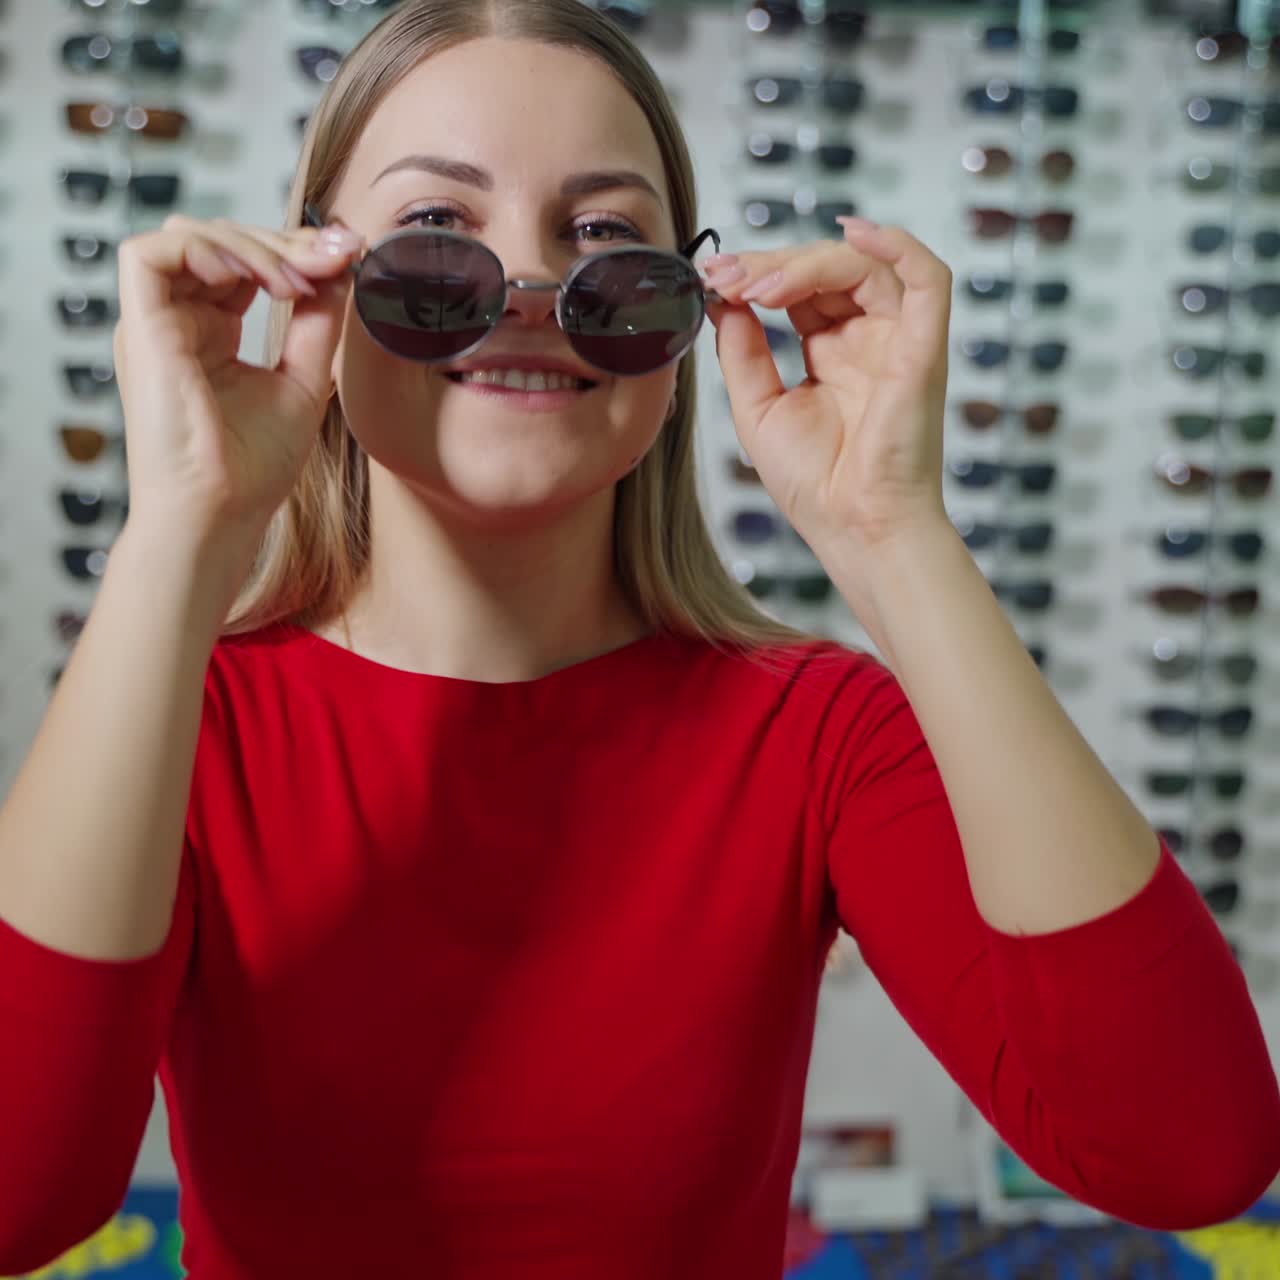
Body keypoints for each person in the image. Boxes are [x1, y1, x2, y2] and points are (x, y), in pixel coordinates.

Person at [0, 0, 1276, 1275]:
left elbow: (1184, 1150)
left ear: (687, 314)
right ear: (315, 286)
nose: (526, 296)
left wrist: (892, 531)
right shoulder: (189, 723)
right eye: (437, 233)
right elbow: (20, 1195)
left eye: (604, 236)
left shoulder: (816, 734)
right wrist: (181, 524)